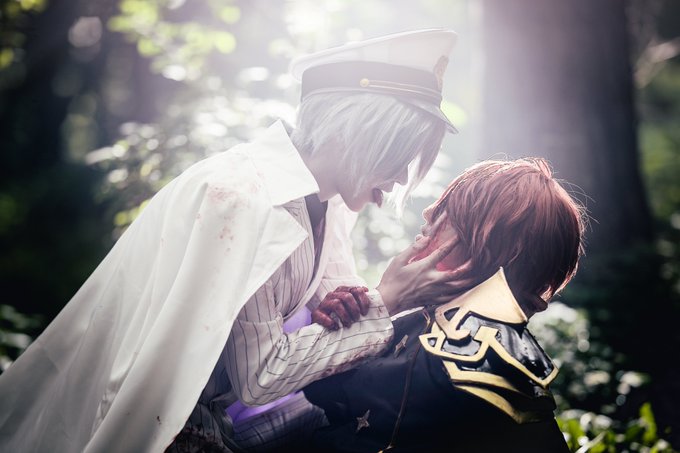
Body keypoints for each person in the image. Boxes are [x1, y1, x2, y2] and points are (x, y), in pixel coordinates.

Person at [0, 29, 463, 453]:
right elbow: (261, 378)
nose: (400, 178)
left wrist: (358, 302)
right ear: (359, 132)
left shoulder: (330, 203)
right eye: (399, 155)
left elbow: (343, 312)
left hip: (214, 418)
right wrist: (386, 299)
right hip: (159, 428)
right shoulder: (243, 197)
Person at [305, 158, 586, 452]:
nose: (428, 214)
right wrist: (361, 312)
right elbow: (326, 389)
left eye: (450, 213)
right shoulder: (434, 321)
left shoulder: (478, 354)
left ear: (493, 248)